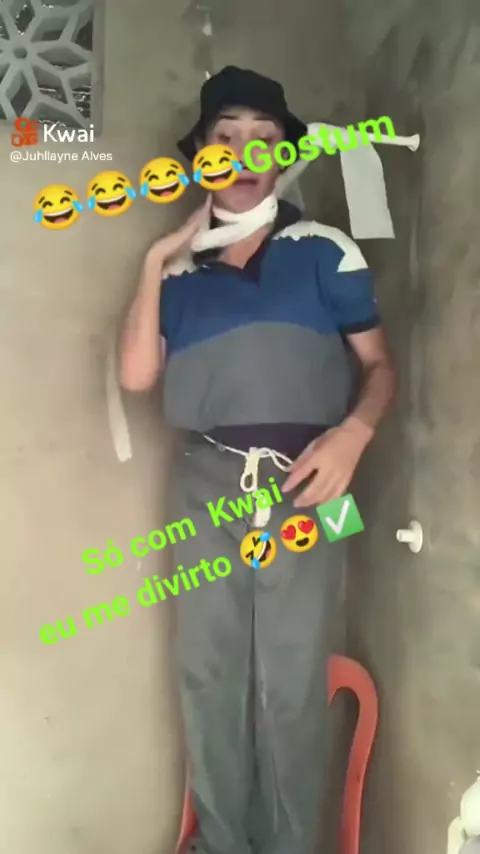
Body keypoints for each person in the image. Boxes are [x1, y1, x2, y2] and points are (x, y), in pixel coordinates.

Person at [120, 66, 396, 854]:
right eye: (226, 137)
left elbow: (381, 367)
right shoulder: (178, 276)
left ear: (282, 157)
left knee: (292, 672)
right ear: (201, 154)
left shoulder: (325, 251)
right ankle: (222, 844)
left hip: (317, 481)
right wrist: (153, 262)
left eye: (264, 139)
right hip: (204, 483)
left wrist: (354, 436)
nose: (244, 154)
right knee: (208, 670)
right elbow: (137, 378)